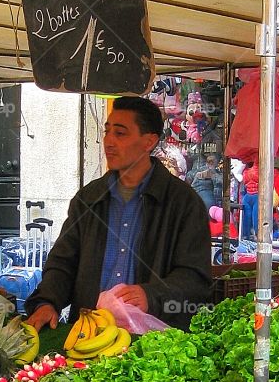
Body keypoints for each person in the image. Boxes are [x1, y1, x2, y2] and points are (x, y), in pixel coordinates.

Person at [25, 97, 212, 331]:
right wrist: (47, 301)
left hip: (151, 339)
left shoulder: (183, 202)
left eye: (120, 133)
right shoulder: (88, 199)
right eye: (107, 132)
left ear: (149, 142)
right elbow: (63, 263)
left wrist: (150, 295)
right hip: (88, 332)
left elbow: (195, 278)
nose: (109, 142)